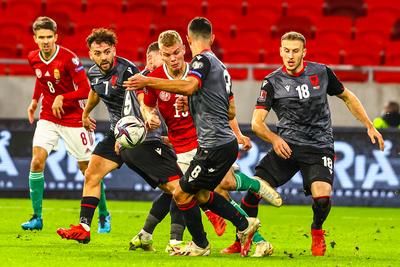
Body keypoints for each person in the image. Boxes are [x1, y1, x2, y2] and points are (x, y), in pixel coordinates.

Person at [124, 18, 274, 257]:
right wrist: (148, 116)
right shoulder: (156, 78)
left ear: (184, 47)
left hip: (205, 141)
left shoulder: (198, 69)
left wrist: (236, 132)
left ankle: (246, 214)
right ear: (160, 55)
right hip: (181, 149)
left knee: (218, 187)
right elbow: (148, 106)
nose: (172, 59)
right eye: (166, 55)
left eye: (175, 53)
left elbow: (222, 105)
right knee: (201, 195)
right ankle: (251, 234)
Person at [241, 31, 384, 256]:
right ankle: (244, 237)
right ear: (280, 51)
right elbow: (257, 123)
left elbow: (347, 96)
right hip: (287, 146)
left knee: (323, 197)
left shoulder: (321, 72)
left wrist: (369, 124)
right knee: (253, 190)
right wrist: (275, 139)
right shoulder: (272, 82)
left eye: (295, 51)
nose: (290, 55)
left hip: (319, 145)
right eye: (286, 50)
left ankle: (317, 231)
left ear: (304, 52)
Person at [56, 28, 183, 244]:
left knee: (175, 189)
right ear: (90, 53)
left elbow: (140, 99)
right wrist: (86, 113)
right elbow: (95, 92)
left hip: (138, 134)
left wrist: (129, 133)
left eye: (107, 51)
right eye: (97, 53)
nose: (103, 57)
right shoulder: (93, 73)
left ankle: (182, 230)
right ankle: (84, 227)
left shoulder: (127, 70)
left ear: (114, 49)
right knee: (91, 174)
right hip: (116, 132)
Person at [22, 16, 110, 232]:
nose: (45, 41)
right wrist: (34, 101)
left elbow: (86, 90)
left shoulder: (68, 59)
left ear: (56, 37)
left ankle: (103, 215)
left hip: (73, 119)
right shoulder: (33, 57)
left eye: (49, 37)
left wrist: (64, 97)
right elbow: (41, 79)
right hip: (48, 117)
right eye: (41, 37)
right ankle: (37, 217)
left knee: (88, 171)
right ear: (34, 39)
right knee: (36, 162)